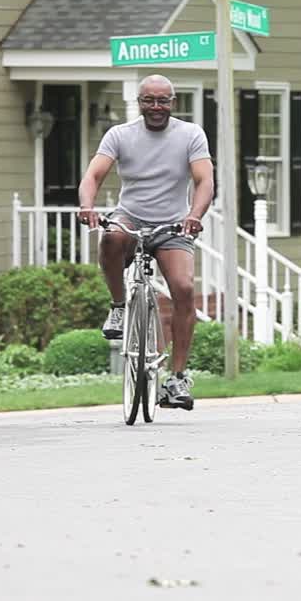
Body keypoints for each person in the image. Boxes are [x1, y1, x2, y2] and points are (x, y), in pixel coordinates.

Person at [78, 75, 214, 411]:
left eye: (163, 101)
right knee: (111, 235)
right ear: (139, 102)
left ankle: (178, 378)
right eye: (149, 101)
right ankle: (119, 307)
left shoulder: (190, 134)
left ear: (173, 102)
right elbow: (93, 176)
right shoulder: (120, 135)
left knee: (183, 289)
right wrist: (87, 206)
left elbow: (204, 180)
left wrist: (194, 215)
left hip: (172, 224)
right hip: (131, 216)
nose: (156, 107)